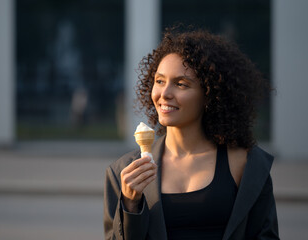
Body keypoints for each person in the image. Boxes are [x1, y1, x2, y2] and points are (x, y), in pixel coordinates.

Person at [104, 27, 279, 240]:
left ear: (209, 94)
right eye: (159, 81)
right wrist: (130, 205)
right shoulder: (123, 173)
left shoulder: (247, 165)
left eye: (181, 84)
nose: (164, 94)